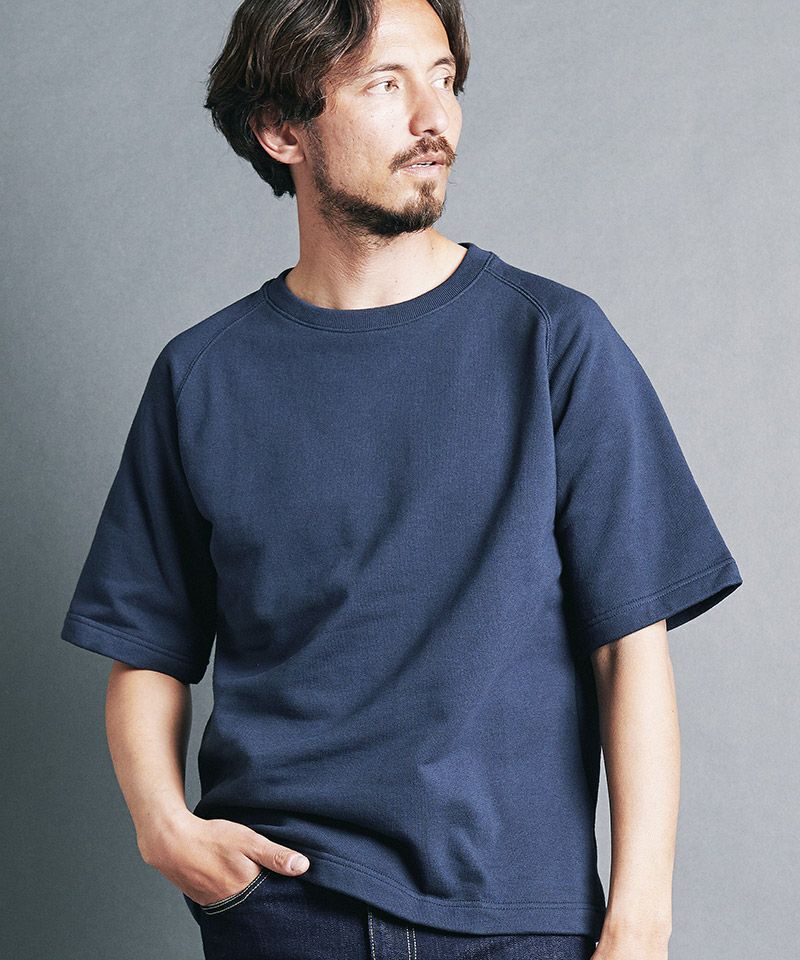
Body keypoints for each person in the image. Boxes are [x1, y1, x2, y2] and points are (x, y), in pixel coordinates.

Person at [60, 1, 743, 958]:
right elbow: (145, 645)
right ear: (281, 128)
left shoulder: (555, 343)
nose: (435, 118)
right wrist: (164, 829)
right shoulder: (202, 375)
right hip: (282, 915)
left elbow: (631, 649)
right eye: (386, 84)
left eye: (444, 78)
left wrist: (641, 924)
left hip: (519, 925)